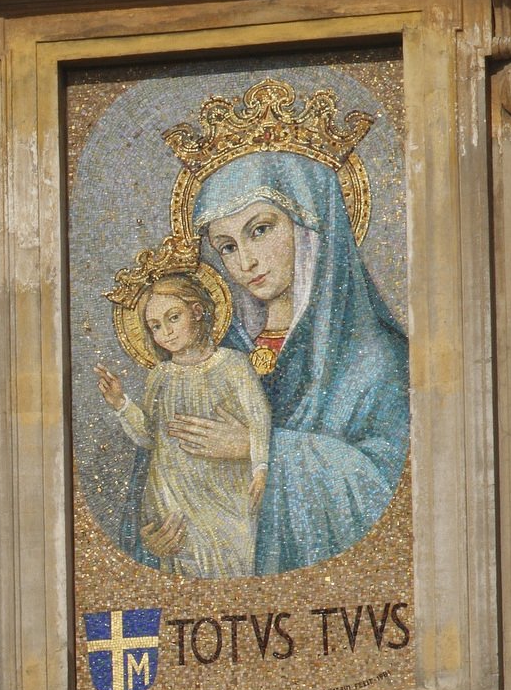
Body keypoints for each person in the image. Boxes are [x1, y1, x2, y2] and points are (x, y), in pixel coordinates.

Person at [161, 151, 408, 574]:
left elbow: (393, 494)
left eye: (260, 230)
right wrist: (160, 533)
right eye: (227, 247)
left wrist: (259, 448)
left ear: (310, 225)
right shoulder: (213, 358)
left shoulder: (376, 359)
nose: (246, 262)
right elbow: (169, 470)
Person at [95, 273, 269, 579]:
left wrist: (261, 466)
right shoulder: (160, 376)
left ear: (197, 312)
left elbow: (258, 418)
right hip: (174, 500)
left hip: (224, 495)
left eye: (173, 318)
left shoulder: (233, 365)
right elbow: (151, 436)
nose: (167, 333)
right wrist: (122, 404)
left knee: (233, 566)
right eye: (156, 326)